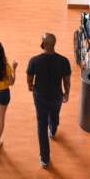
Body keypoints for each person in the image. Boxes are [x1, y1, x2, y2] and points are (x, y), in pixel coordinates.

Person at [26, 33, 72, 169]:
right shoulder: (64, 61)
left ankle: (45, 159)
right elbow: (67, 81)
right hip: (56, 97)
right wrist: (67, 93)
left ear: (44, 45)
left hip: (40, 98)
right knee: (55, 114)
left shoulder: (34, 60)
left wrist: (30, 86)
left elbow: (29, 77)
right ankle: (53, 129)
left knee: (41, 125)